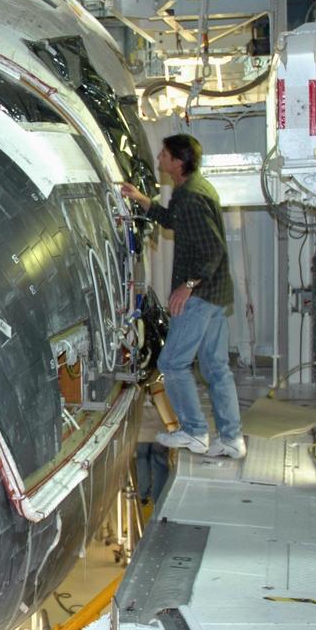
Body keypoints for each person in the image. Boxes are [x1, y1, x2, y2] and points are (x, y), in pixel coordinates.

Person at [120, 134, 245, 459]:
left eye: (164, 154)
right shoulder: (193, 190)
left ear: (178, 161)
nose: (159, 158)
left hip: (200, 296)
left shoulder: (191, 197)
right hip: (216, 294)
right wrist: (142, 199)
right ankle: (232, 439)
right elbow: (173, 220)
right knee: (216, 367)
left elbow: (213, 249)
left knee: (172, 363)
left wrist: (187, 285)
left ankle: (194, 432)